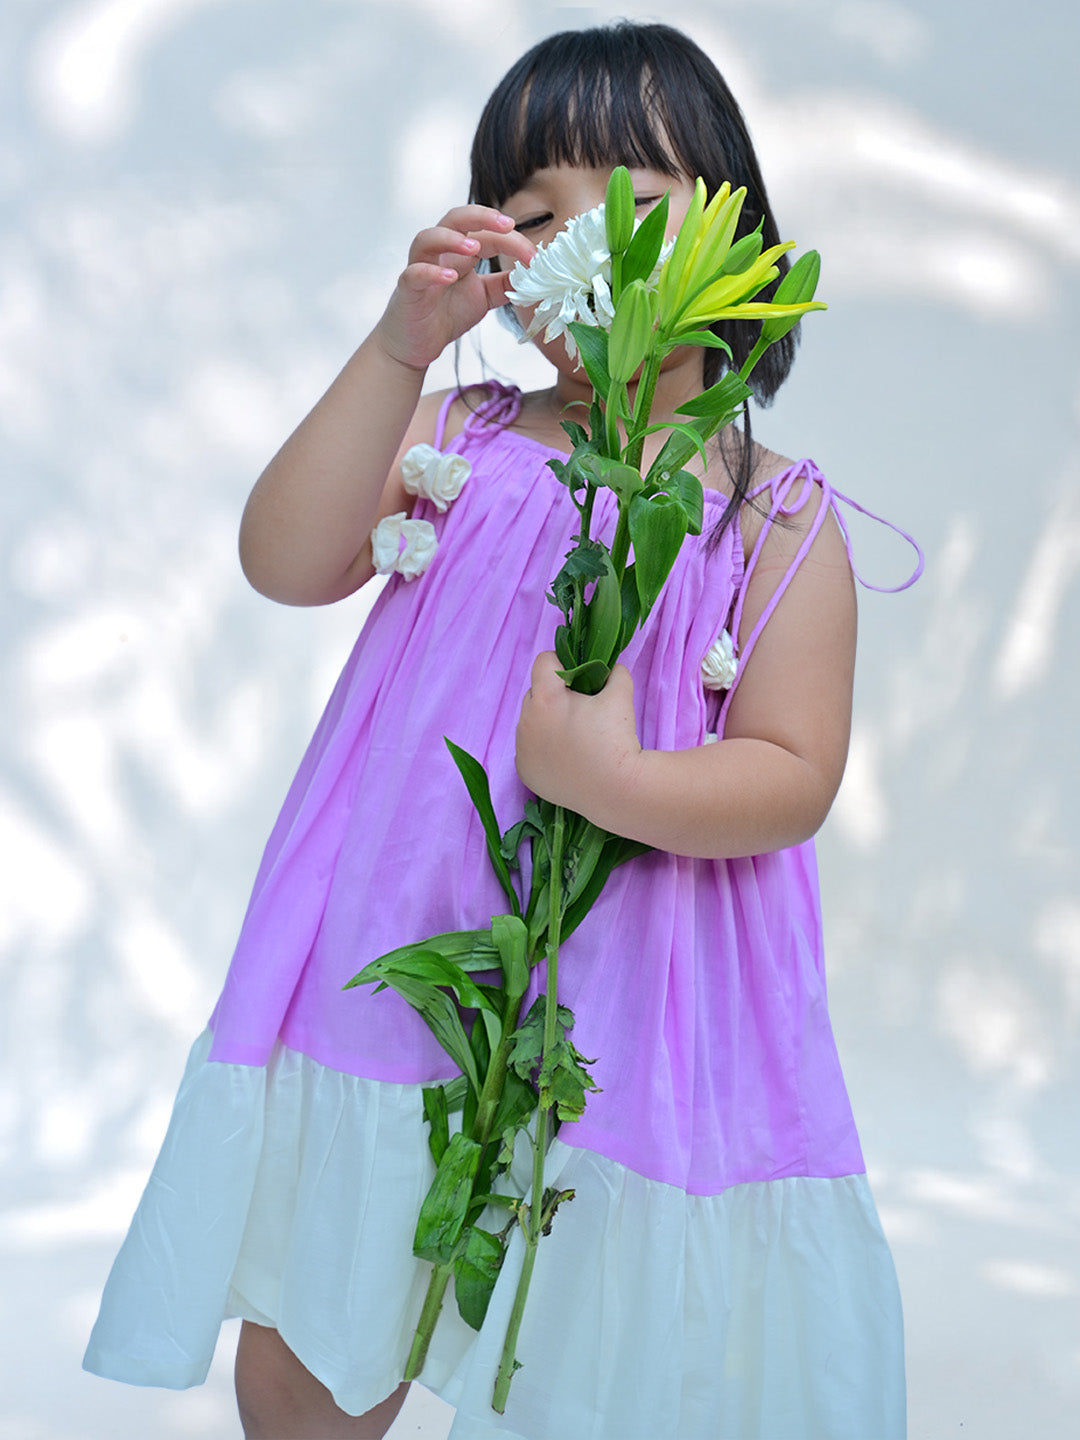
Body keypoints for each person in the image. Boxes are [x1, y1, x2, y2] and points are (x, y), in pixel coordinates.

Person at [84, 21, 918, 1440]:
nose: (583, 245)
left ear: (746, 255)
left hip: (631, 997)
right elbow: (288, 558)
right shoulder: (459, 437)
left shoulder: (773, 516)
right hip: (406, 960)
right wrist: (396, 347)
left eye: (640, 208)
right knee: (317, 1326)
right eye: (536, 215)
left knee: (580, 1334)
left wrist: (618, 777)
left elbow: (792, 775)